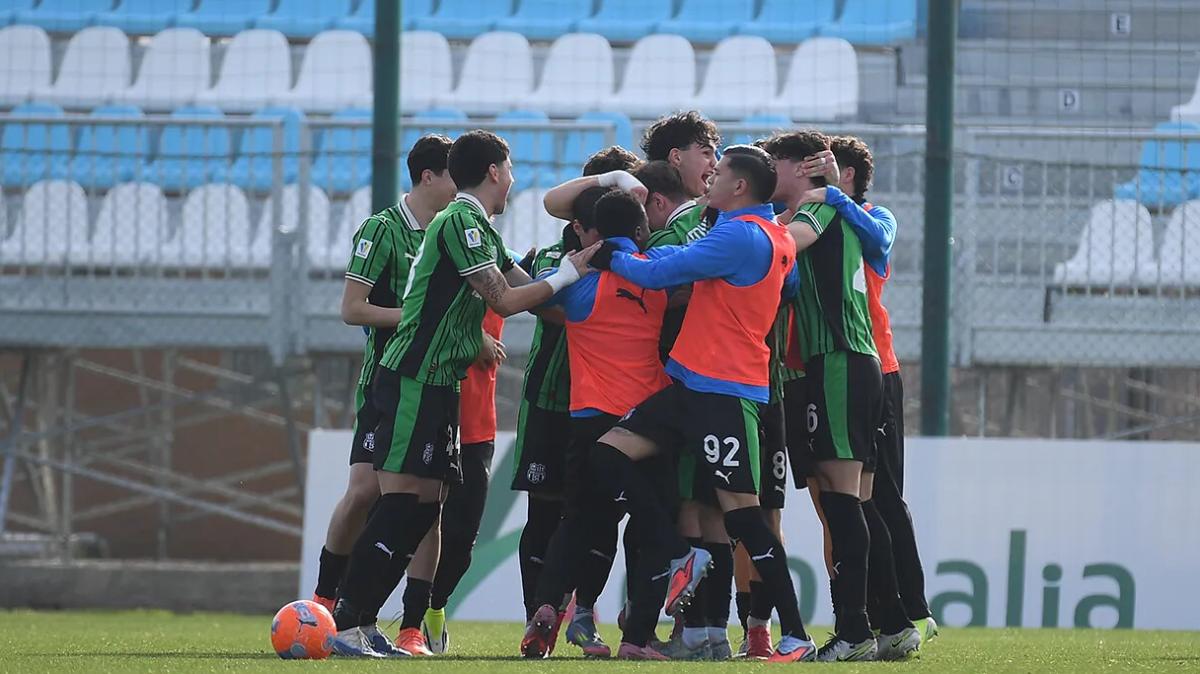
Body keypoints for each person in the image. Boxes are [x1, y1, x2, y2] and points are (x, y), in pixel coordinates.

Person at [328, 130, 595, 657]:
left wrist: (594, 298)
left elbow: (533, 292)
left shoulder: (481, 229)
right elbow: (509, 298)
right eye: (510, 169)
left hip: (439, 382)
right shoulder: (462, 222)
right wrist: (569, 271)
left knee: (425, 506)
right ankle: (346, 618)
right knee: (403, 502)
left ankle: (363, 620)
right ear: (495, 171)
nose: (513, 181)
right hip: (413, 377)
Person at [581, 145, 818, 663]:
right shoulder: (771, 234)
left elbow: (658, 275)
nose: (710, 177)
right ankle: (675, 553)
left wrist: (613, 257)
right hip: (694, 388)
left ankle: (796, 634)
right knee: (608, 453)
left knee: (745, 520)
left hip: (723, 394)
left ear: (738, 186)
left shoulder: (739, 233)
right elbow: (689, 261)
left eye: (721, 171)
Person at [762, 129, 915, 662]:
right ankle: (891, 621)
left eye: (771, 163)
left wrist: (740, 231)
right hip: (849, 363)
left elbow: (787, 251)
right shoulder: (837, 210)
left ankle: (854, 630)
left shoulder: (820, 212)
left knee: (841, 496)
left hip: (839, 361)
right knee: (855, 499)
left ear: (801, 168)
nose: (766, 173)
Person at [310, 134, 456, 656]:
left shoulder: (454, 230)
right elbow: (353, 308)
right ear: (429, 177)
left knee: (429, 503)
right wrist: (421, 320)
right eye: (454, 175)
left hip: (437, 381)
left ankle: (411, 626)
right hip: (387, 383)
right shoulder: (382, 229)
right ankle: (327, 604)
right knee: (367, 493)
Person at [797, 135, 937, 650]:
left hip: (869, 363)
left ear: (846, 173)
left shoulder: (869, 215)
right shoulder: (809, 216)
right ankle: (885, 620)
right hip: (826, 365)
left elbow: (880, 240)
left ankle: (902, 612)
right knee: (844, 498)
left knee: (871, 497)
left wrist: (832, 196)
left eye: (826, 165)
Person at [520, 189, 672, 660]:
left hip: (587, 421)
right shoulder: (658, 273)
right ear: (642, 228)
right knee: (652, 530)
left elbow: (538, 290)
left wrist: (577, 262)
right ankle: (638, 637)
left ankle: (546, 608)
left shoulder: (579, 285)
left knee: (577, 521)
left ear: (593, 234)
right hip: (643, 425)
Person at [511, 147, 641, 658]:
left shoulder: (629, 259)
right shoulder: (546, 259)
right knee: (543, 514)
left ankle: (583, 612)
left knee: (600, 514)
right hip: (550, 399)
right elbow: (504, 293)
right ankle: (536, 618)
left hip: (606, 402)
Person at [395, 306, 506, 656]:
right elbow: (417, 318)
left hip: (478, 430)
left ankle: (433, 607)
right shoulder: (441, 267)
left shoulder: (499, 270)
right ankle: (387, 619)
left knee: (461, 547)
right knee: (412, 523)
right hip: (433, 416)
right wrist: (474, 339)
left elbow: (531, 291)